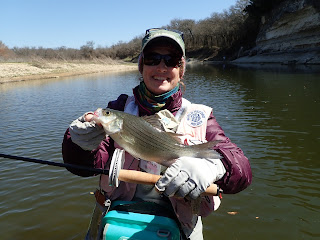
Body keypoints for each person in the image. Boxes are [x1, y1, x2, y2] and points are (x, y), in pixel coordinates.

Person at [62, 28, 252, 240]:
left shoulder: (200, 116)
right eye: (152, 58)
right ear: (142, 66)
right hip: (115, 221)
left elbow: (242, 171)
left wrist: (217, 166)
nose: (161, 67)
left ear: (181, 70)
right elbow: (83, 167)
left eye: (170, 60)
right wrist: (78, 144)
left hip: (180, 229)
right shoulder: (119, 108)